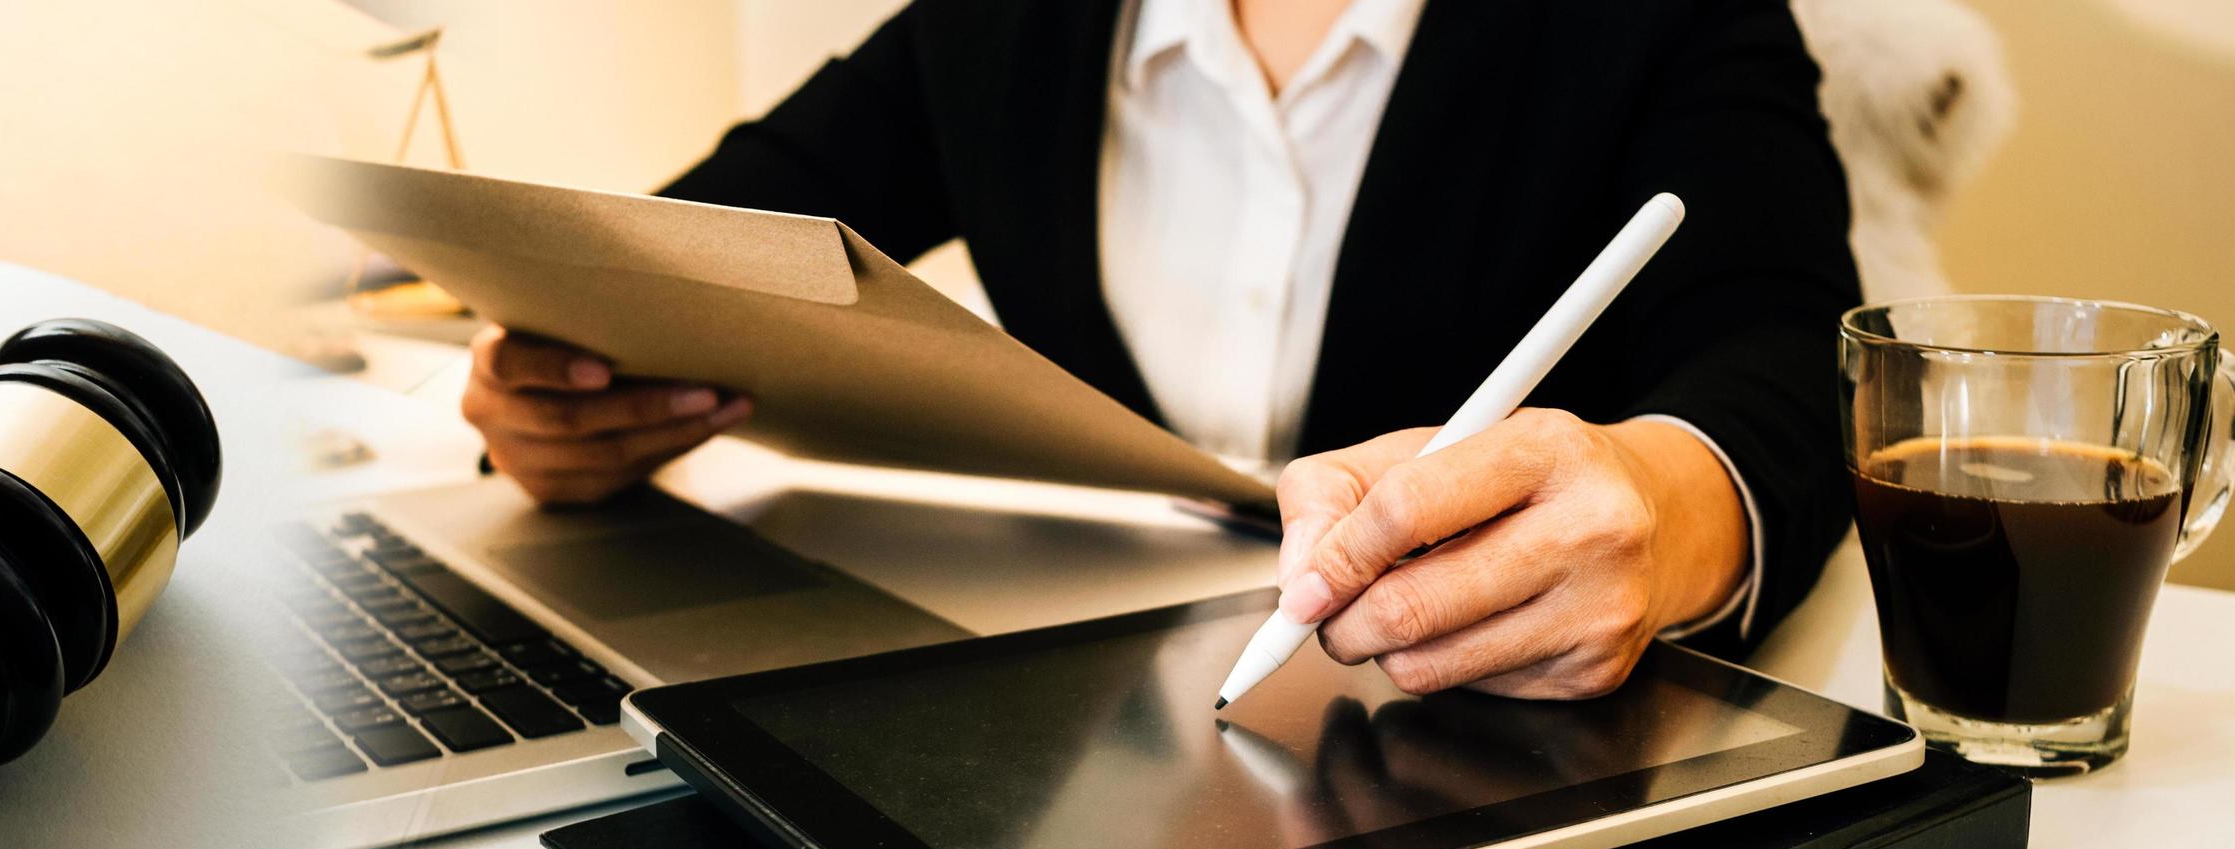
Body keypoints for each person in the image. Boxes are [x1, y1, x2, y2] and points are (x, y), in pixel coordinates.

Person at [457, 0, 1860, 700]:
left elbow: (1791, 343)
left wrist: (1667, 509)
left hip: (1491, 747)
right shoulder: (1009, 21)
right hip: (1101, 718)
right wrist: (556, 385)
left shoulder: (1659, 19)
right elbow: (691, 241)